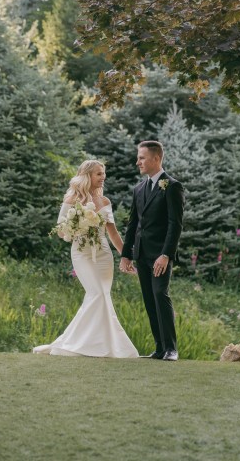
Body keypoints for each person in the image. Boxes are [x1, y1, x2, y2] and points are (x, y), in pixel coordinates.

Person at [33, 160, 138, 358]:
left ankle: (102, 345)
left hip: (103, 254)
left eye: (104, 173)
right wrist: (77, 228)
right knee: (96, 293)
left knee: (102, 296)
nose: (103, 177)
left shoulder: (105, 202)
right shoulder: (71, 200)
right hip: (82, 253)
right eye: (99, 173)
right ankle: (76, 343)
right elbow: (61, 232)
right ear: (87, 175)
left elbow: (114, 235)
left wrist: (127, 256)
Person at [120, 141, 184, 361]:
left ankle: (171, 349)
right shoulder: (139, 187)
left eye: (142, 158)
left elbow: (175, 224)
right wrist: (126, 255)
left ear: (156, 159)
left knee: (160, 294)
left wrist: (166, 255)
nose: (138, 162)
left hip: (160, 256)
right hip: (141, 255)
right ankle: (159, 349)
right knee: (149, 299)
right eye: (138, 158)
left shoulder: (172, 186)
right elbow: (133, 223)